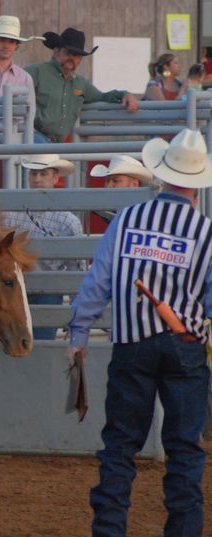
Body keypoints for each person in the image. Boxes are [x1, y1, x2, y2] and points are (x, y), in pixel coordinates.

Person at [68, 128, 212, 537]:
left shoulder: (129, 219)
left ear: (163, 174)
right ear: (197, 184)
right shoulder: (205, 232)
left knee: (120, 445)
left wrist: (79, 333)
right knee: (184, 450)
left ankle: (109, 530)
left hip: (132, 344)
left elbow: (98, 281)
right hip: (185, 346)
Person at [3, 154, 85, 340]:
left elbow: (76, 268)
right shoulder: (10, 212)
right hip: (16, 287)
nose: (37, 179)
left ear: (55, 178)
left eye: (43, 174)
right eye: (34, 174)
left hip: (47, 289)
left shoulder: (67, 220)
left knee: (37, 341)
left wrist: (76, 311)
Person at [26, 28, 139, 143]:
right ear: (56, 52)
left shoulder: (81, 84)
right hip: (34, 137)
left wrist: (125, 94)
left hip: (57, 144)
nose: (72, 58)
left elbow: (102, 96)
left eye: (77, 55)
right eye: (68, 52)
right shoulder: (35, 72)